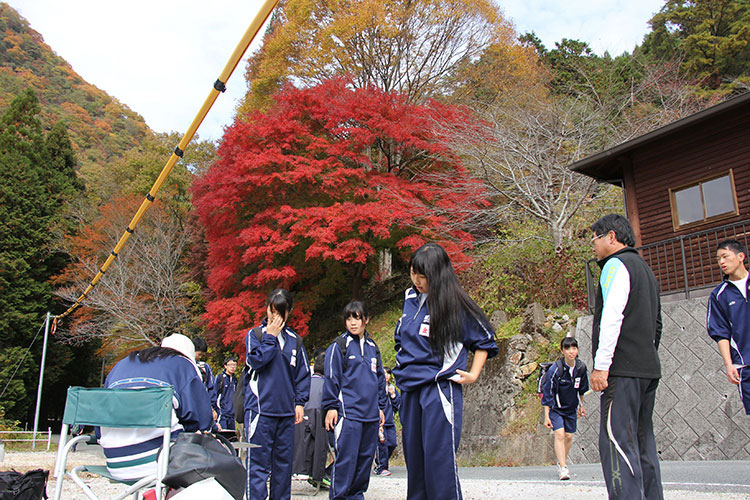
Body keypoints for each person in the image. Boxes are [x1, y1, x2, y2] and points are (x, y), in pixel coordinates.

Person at [393, 242, 498, 500]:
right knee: (415, 463)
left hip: (438, 390)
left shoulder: (455, 304)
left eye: (423, 275)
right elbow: (401, 339)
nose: (417, 280)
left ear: (437, 274)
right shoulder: (409, 299)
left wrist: (473, 374)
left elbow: (485, 340)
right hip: (409, 391)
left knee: (439, 464)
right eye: (413, 272)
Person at [589, 214, 663, 500]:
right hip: (647, 369)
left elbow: (611, 318)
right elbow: (657, 324)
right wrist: (645, 355)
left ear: (611, 236)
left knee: (617, 443)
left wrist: (601, 367)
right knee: (643, 443)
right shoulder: (645, 269)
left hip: (621, 372)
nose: (593, 246)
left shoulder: (615, 265)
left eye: (595, 238)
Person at [98, 333, 213, 481]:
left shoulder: (122, 363)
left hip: (115, 462)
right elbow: (202, 420)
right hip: (160, 462)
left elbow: (100, 423)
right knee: (217, 463)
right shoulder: (183, 365)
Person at [245, 289, 310, 500]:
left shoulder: (295, 341)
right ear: (266, 309)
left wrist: (300, 403)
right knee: (258, 466)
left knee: (283, 467)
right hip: (260, 411)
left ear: (289, 312)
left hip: (285, 413)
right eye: (272, 311)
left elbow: (303, 375)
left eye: (280, 312)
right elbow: (257, 361)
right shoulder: (255, 335)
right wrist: (270, 338)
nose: (275, 317)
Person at [323, 300, 386, 500]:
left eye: (357, 318)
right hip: (348, 414)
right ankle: (339, 496)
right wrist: (331, 406)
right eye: (349, 318)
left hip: (370, 416)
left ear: (366, 319)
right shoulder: (339, 346)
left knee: (365, 460)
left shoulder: (372, 347)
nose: (353, 322)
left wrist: (381, 408)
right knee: (346, 461)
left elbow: (379, 380)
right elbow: (332, 378)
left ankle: (356, 495)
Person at [707, 239, 750, 415]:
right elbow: (720, 333)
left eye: (725, 256)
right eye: (718, 259)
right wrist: (728, 364)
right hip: (745, 365)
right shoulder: (719, 295)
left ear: (741, 256)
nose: (721, 262)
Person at [541, 336, 588, 480]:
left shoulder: (581, 368)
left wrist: (582, 406)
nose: (571, 352)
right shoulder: (556, 369)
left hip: (571, 409)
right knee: (560, 434)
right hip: (556, 409)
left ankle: (562, 462)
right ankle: (563, 467)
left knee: (568, 436)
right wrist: (547, 415)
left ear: (578, 350)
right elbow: (547, 393)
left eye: (574, 348)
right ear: (562, 351)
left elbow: (581, 390)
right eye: (567, 349)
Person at [374, 366, 401, 477]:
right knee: (382, 444)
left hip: (390, 421)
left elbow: (398, 405)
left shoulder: (392, 388)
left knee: (392, 443)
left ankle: (379, 462)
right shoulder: (376, 389)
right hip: (380, 422)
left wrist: (393, 395)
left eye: (388, 373)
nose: (386, 375)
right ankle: (381, 467)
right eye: (384, 373)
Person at [193, 336, 218, 424]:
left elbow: (211, 388)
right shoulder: (185, 366)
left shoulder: (204, 367)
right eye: (199, 354)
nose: (200, 357)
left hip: (204, 407)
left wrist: (212, 407)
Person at [215, 356, 238, 431]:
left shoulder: (235, 380)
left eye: (234, 365)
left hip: (232, 414)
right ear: (225, 366)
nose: (233, 367)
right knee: (222, 435)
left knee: (231, 436)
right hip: (222, 414)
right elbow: (214, 395)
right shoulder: (220, 378)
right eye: (230, 365)